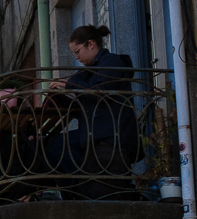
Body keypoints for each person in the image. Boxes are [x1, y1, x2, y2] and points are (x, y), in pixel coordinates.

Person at [50, 24, 141, 185]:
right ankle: (78, 189)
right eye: (73, 53)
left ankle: (79, 188)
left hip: (111, 133)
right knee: (53, 145)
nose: (76, 57)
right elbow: (88, 104)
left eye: (77, 51)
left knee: (58, 146)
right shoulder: (90, 71)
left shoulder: (111, 61)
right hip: (95, 132)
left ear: (91, 44)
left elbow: (101, 93)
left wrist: (69, 85)